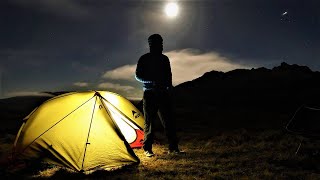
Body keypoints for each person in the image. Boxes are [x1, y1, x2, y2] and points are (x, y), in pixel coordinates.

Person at [135, 34, 182, 157]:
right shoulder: (144, 59)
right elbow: (138, 76)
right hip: (150, 93)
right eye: (158, 43)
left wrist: (169, 87)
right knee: (149, 122)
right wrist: (152, 81)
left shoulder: (164, 59)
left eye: (161, 43)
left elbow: (169, 75)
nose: (161, 46)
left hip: (163, 93)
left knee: (168, 121)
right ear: (151, 45)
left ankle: (173, 148)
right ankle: (147, 149)